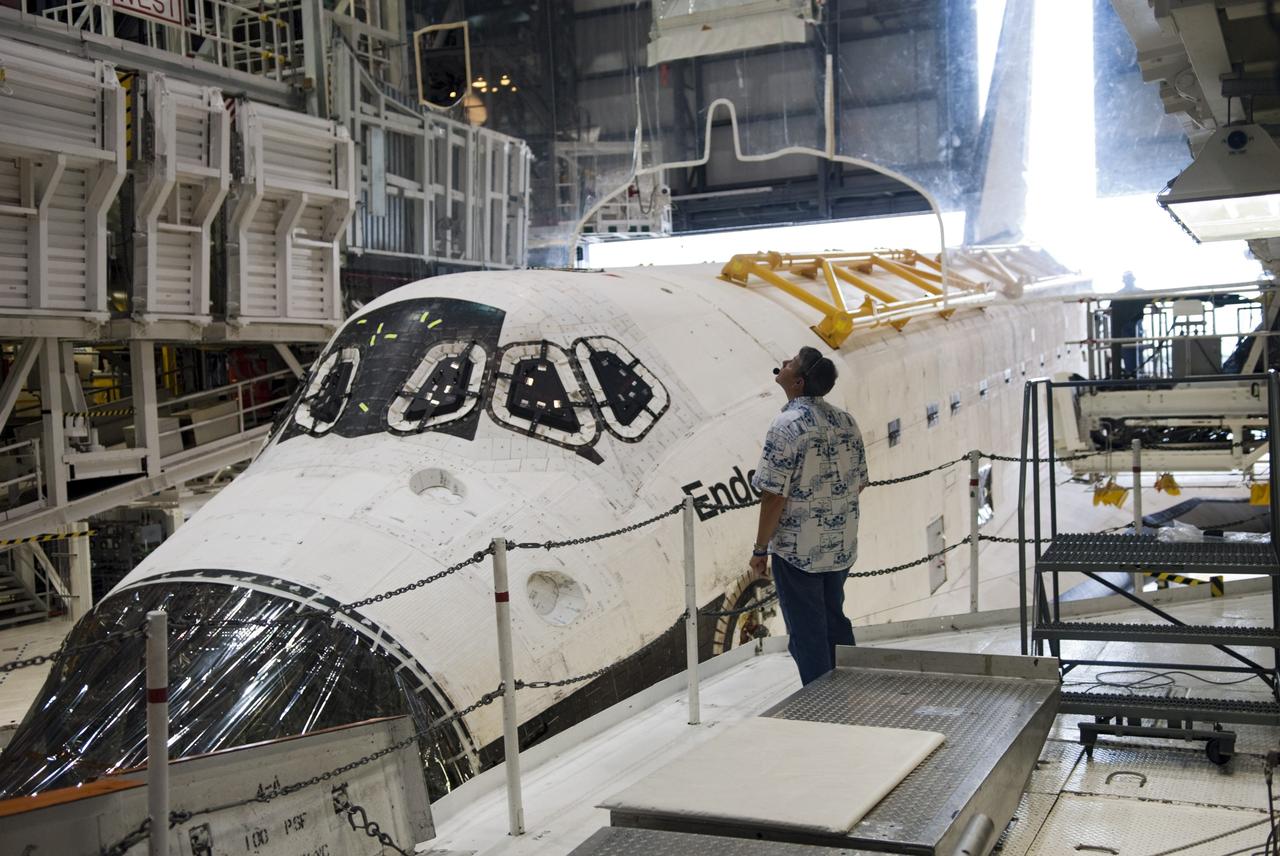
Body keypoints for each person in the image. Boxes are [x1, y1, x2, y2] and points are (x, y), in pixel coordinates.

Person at [749, 346, 869, 685]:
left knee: (807, 633)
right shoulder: (846, 421)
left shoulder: (786, 426)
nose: (783, 363)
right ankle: (851, 688)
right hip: (841, 546)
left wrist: (760, 550)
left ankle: (824, 709)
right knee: (836, 621)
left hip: (797, 552)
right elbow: (859, 483)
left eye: (790, 363)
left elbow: (772, 497)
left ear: (798, 382)